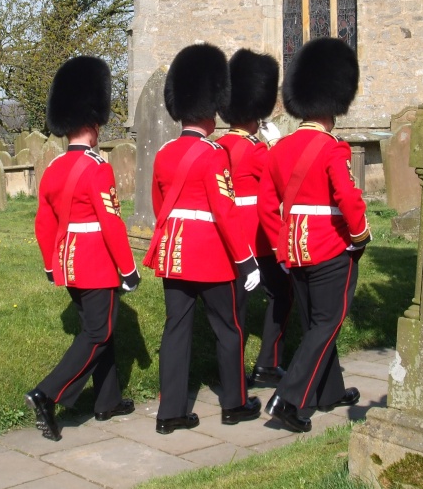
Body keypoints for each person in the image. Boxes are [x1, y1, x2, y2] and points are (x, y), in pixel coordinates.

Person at [144, 42, 263, 435]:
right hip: (211, 255)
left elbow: (161, 205)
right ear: (211, 110)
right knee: (228, 328)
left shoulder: (163, 154)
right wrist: (246, 260)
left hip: (174, 253)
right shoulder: (214, 155)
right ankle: (235, 403)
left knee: (176, 327)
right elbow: (225, 211)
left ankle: (170, 412)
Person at [258, 38, 371, 433]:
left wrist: (281, 245)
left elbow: (267, 206)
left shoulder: (279, 150)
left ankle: (329, 392)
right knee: (328, 322)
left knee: (315, 323)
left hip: (294, 250)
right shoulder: (332, 149)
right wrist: (359, 237)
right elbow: (349, 200)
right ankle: (288, 400)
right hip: (329, 246)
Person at [26, 56, 141, 442]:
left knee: (100, 329)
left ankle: (107, 400)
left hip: (68, 261)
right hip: (96, 261)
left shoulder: (54, 168)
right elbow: (111, 223)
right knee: (98, 331)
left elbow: (43, 222)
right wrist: (128, 269)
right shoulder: (98, 168)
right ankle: (48, 393)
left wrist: (50, 264)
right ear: (93, 124)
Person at [216, 49, 294, 387]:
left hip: (226, 237)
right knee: (281, 293)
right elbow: (285, 177)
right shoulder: (256, 150)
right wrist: (276, 144)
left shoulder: (218, 146)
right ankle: (266, 364)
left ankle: (232, 373)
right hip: (257, 238)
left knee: (235, 307)